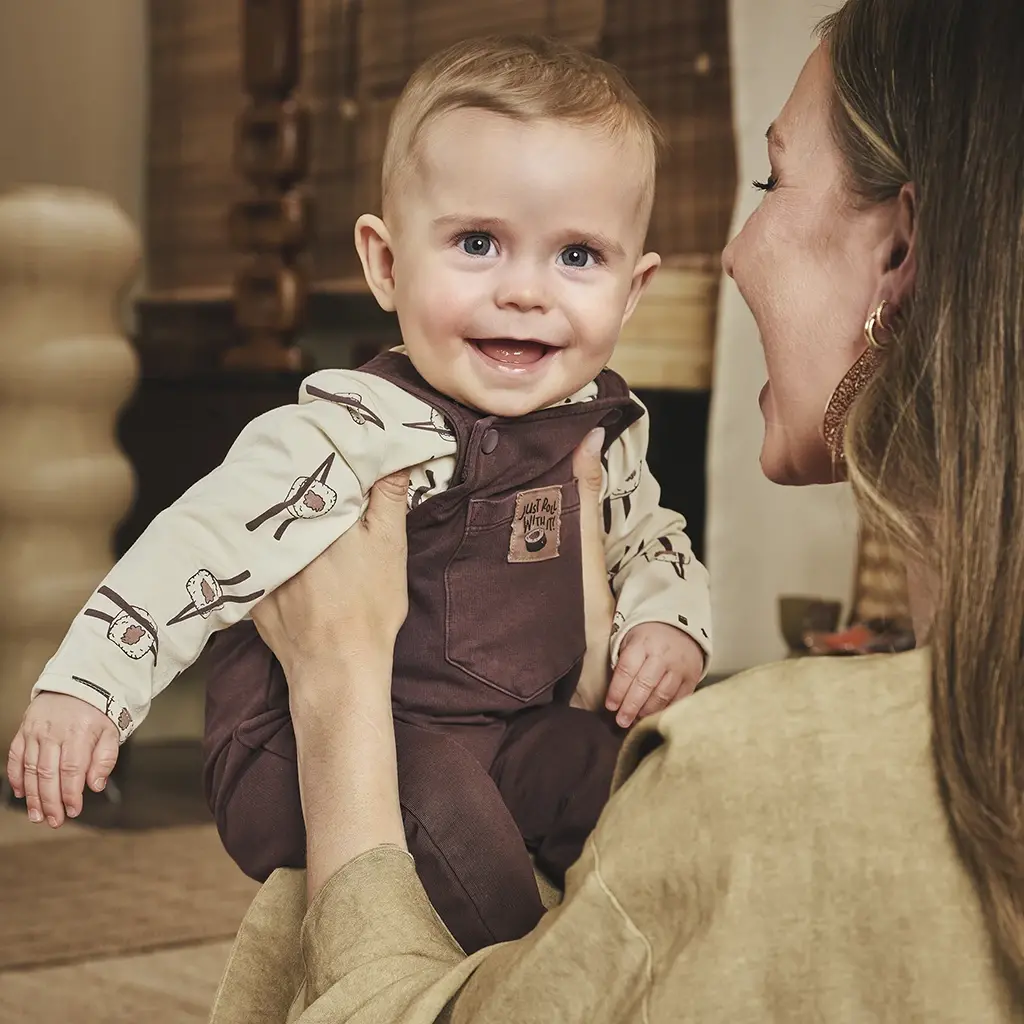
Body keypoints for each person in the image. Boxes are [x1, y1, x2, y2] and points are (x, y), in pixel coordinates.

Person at [206, 0, 1024, 1020]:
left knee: (312, 891)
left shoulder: (748, 776)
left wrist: (338, 695)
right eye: (477, 243)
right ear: (385, 259)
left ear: (897, 254)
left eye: (770, 180)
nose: (732, 251)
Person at [5, 37, 712, 953]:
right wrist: (89, 689)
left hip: (509, 730)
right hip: (310, 748)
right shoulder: (352, 427)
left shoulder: (598, 427)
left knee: (642, 779)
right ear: (384, 263)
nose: (526, 291)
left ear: (634, 289)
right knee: (448, 811)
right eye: (477, 243)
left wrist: (668, 623)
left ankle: (663, 965)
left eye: (577, 255)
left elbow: (650, 538)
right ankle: (516, 985)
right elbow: (199, 544)